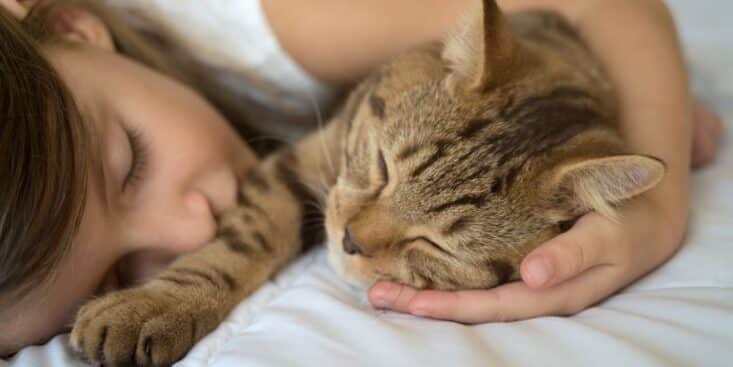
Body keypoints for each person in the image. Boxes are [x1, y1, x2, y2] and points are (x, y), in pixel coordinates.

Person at [0, 0, 723, 356]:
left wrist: (654, 208)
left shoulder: (286, 22)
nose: (352, 235)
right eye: (114, 276)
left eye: (133, 162)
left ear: (70, 24)